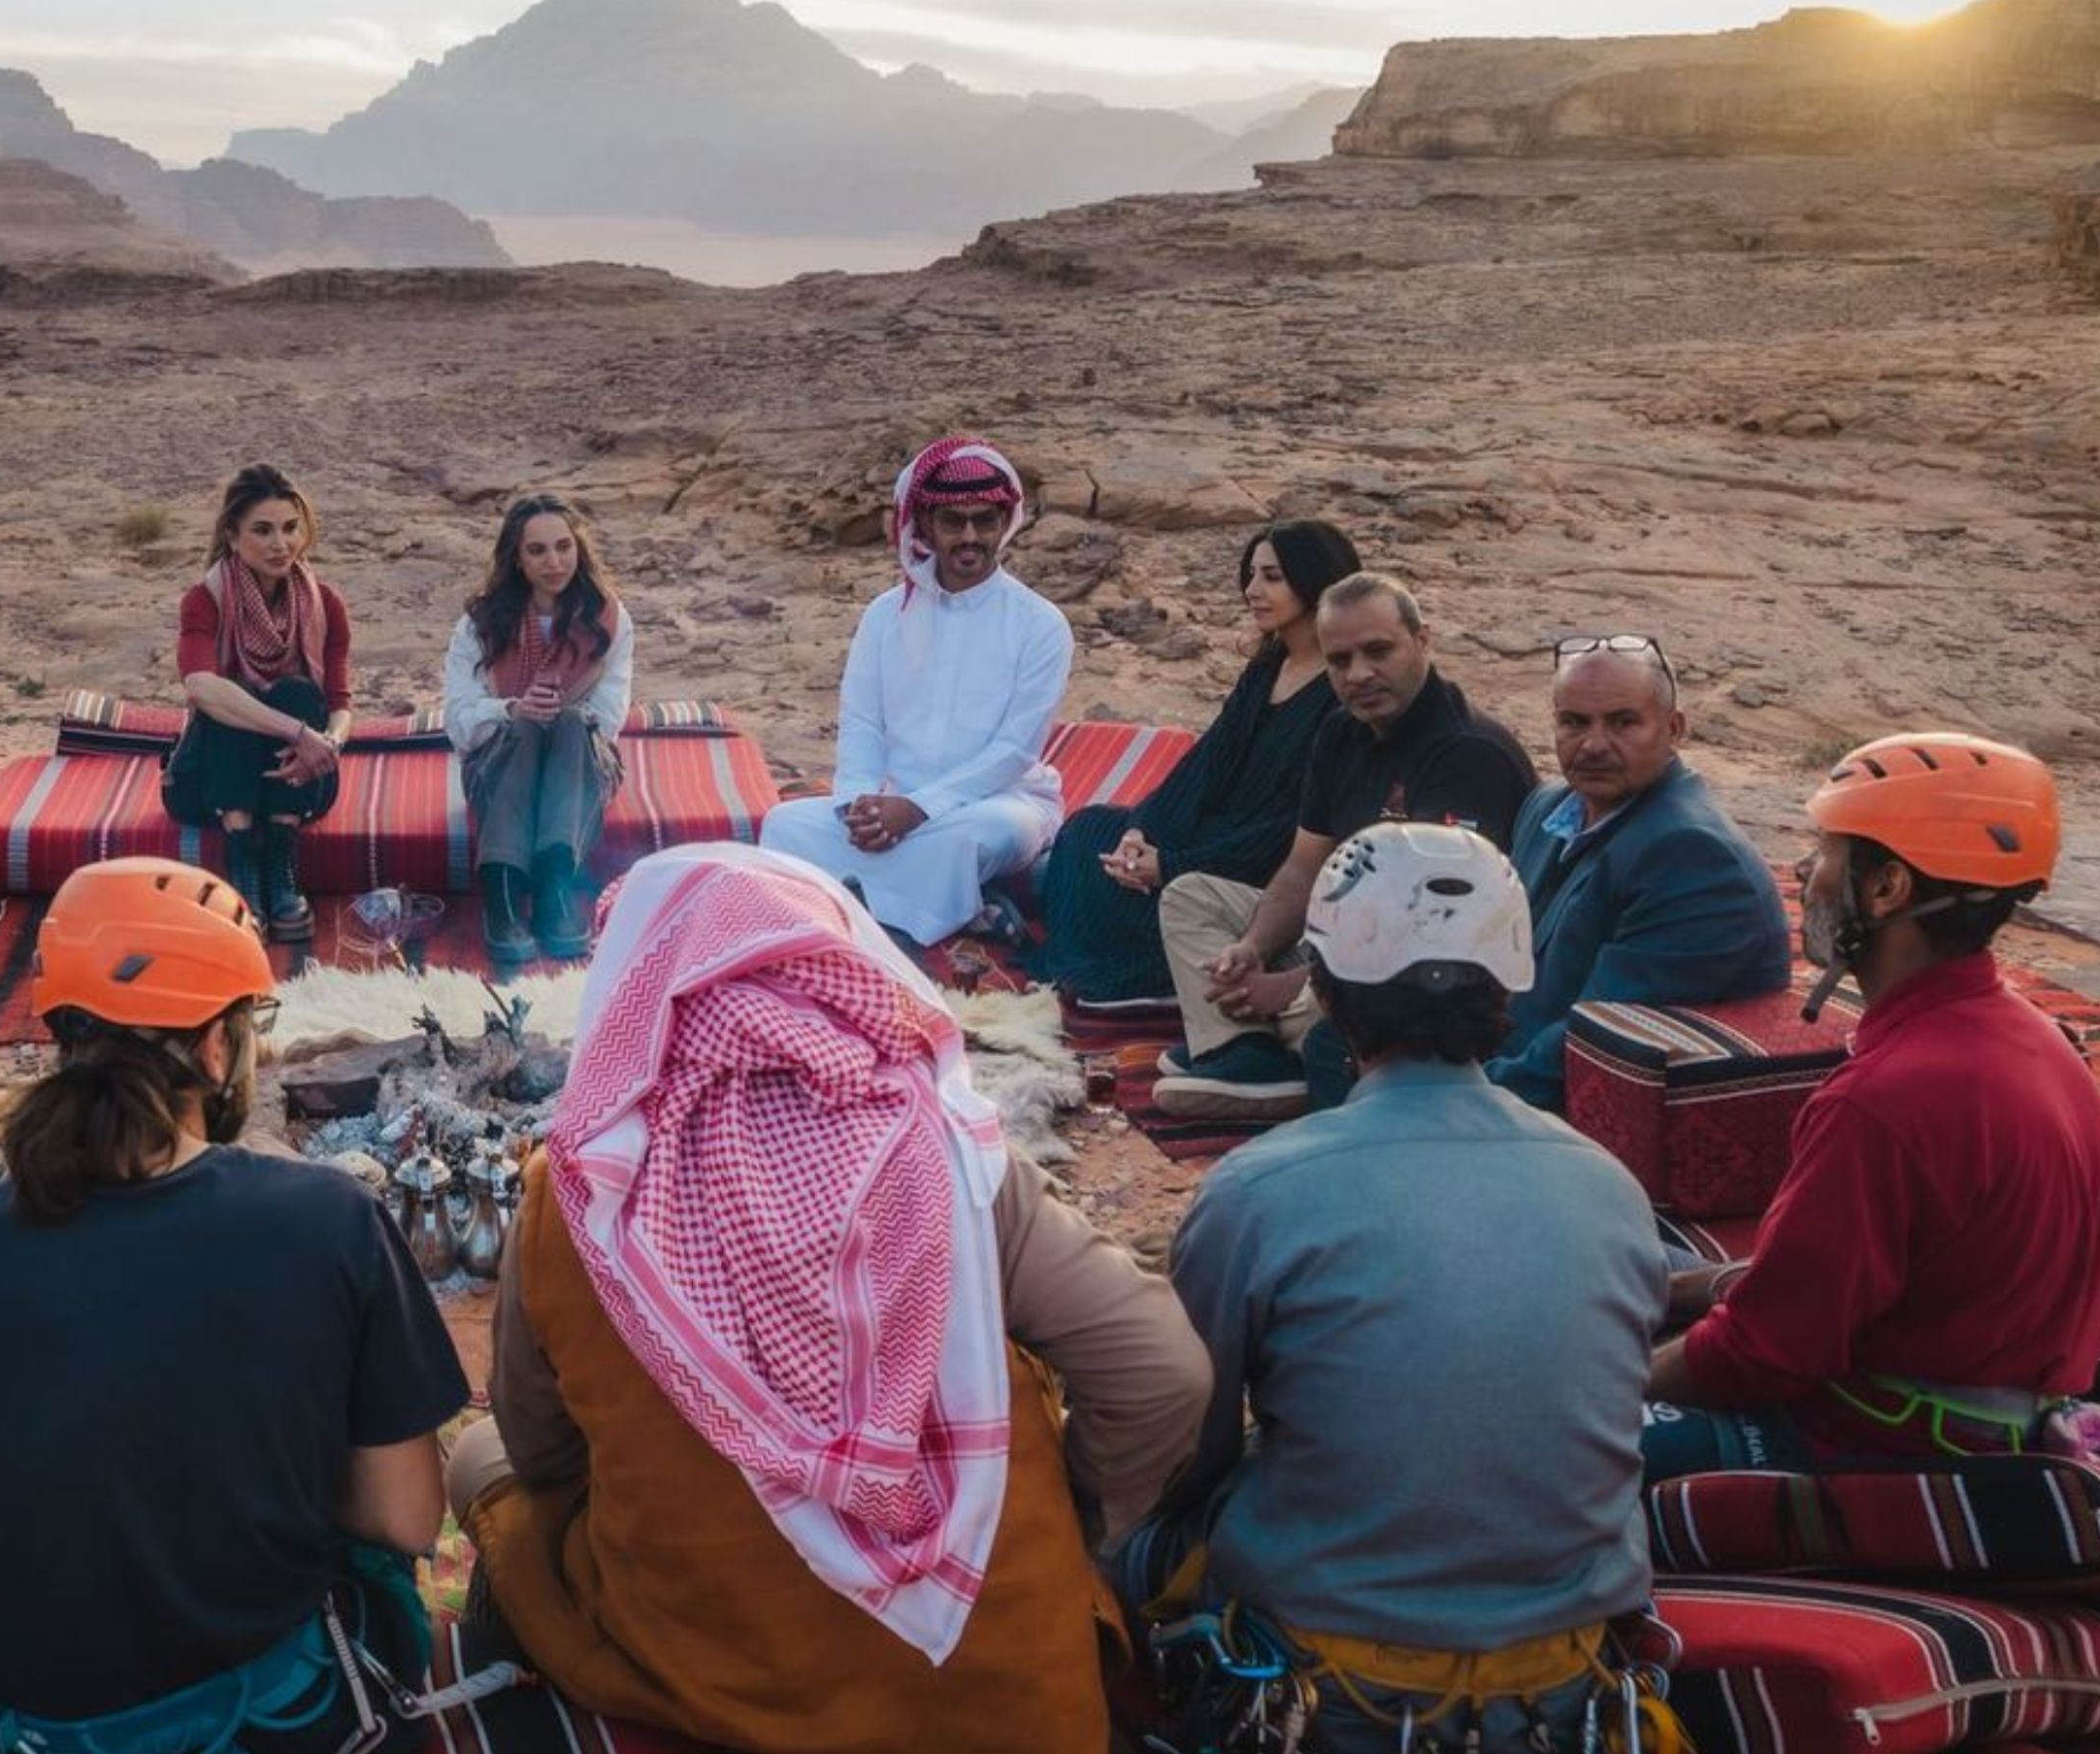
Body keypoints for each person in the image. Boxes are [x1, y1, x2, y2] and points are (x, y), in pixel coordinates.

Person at [450, 842, 1208, 1753]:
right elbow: (1166, 1374)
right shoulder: (949, 1160)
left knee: (481, 1457)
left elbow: (540, 1447)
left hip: (712, 1675)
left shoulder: (576, 1189)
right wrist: (1079, 1534)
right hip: (1003, 1673)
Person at [0, 857, 467, 1749]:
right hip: (280, 1715)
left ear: (65, 1029)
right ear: (218, 1047)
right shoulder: (330, 1216)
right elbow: (406, 1518)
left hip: (48, 1721)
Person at [1122, 824, 1663, 1754]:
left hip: (1333, 1679)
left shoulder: (1260, 1189)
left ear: (1325, 993)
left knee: (1108, 1533)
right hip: (1567, 1683)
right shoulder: (1608, 1186)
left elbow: (1187, 1453)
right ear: (1508, 985)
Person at [1646, 732, 2100, 1478]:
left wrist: (1604, 1386)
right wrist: (1660, 1290)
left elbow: (1763, 1354)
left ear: (1888, 887)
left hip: (1881, 1433)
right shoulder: (2035, 1035)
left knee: (1528, 1441)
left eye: (1828, 850)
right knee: (1637, 1253)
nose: (1804, 870)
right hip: (1989, 1387)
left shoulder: (1883, 1101)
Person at [1151, 573, 1534, 1120]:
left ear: (1422, 642)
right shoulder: (1339, 731)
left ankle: (1270, 1049)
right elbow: (1305, 865)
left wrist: (1296, 983)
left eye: (1378, 651)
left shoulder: (1466, 754)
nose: (1359, 674)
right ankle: (1250, 1057)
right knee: (1190, 897)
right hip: (1336, 936)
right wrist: (1255, 948)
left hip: (1416, 968)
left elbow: (1441, 928)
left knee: (1345, 1010)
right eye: (1339, 660)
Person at [758, 438, 1074, 946]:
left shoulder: (1041, 624)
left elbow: (1014, 752)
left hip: (996, 803)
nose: (970, 536)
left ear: (1004, 523)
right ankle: (965, 907)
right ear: (925, 525)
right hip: (892, 800)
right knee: (784, 825)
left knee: (969, 840)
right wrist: (855, 804)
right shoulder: (886, 614)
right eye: (953, 521)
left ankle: (873, 913)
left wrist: (918, 809)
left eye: (984, 521)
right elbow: (861, 720)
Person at [1032, 519, 1360, 1004]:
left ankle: (1148, 979)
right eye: (1250, 576)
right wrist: (1141, 831)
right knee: (1086, 832)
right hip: (1211, 832)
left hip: (1258, 866)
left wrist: (1171, 865)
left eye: (1272, 577)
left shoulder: (1341, 692)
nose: (1252, 591)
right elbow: (1204, 764)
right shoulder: (1269, 666)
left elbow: (1289, 828)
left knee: (1068, 882)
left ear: (1314, 581)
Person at [1467, 637, 1791, 1111]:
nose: (1594, 745)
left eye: (1623, 722)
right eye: (1574, 722)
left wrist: (1463, 1100)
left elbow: (1591, 1042)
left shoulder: (1695, 858)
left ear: (1674, 728)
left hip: (1578, 1119)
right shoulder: (1547, 808)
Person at [165, 464, 356, 946]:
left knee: (299, 693)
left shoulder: (325, 603)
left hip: (305, 775)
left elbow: (339, 704)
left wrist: (328, 742)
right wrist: (297, 733)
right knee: (233, 698)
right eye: (263, 530)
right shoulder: (204, 600)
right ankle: (243, 857)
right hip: (210, 779)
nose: (281, 544)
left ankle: (280, 858)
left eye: (291, 528)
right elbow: (200, 686)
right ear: (232, 536)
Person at [441, 494, 634, 969]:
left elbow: (609, 717)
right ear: (517, 558)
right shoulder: (480, 624)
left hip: (580, 763)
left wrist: (561, 713)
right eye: (538, 551)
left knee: (570, 721)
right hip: (500, 765)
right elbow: (458, 722)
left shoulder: (608, 620)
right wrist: (513, 709)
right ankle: (503, 889)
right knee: (524, 727)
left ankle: (554, 885)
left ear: (579, 549)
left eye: (564, 547)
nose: (554, 562)